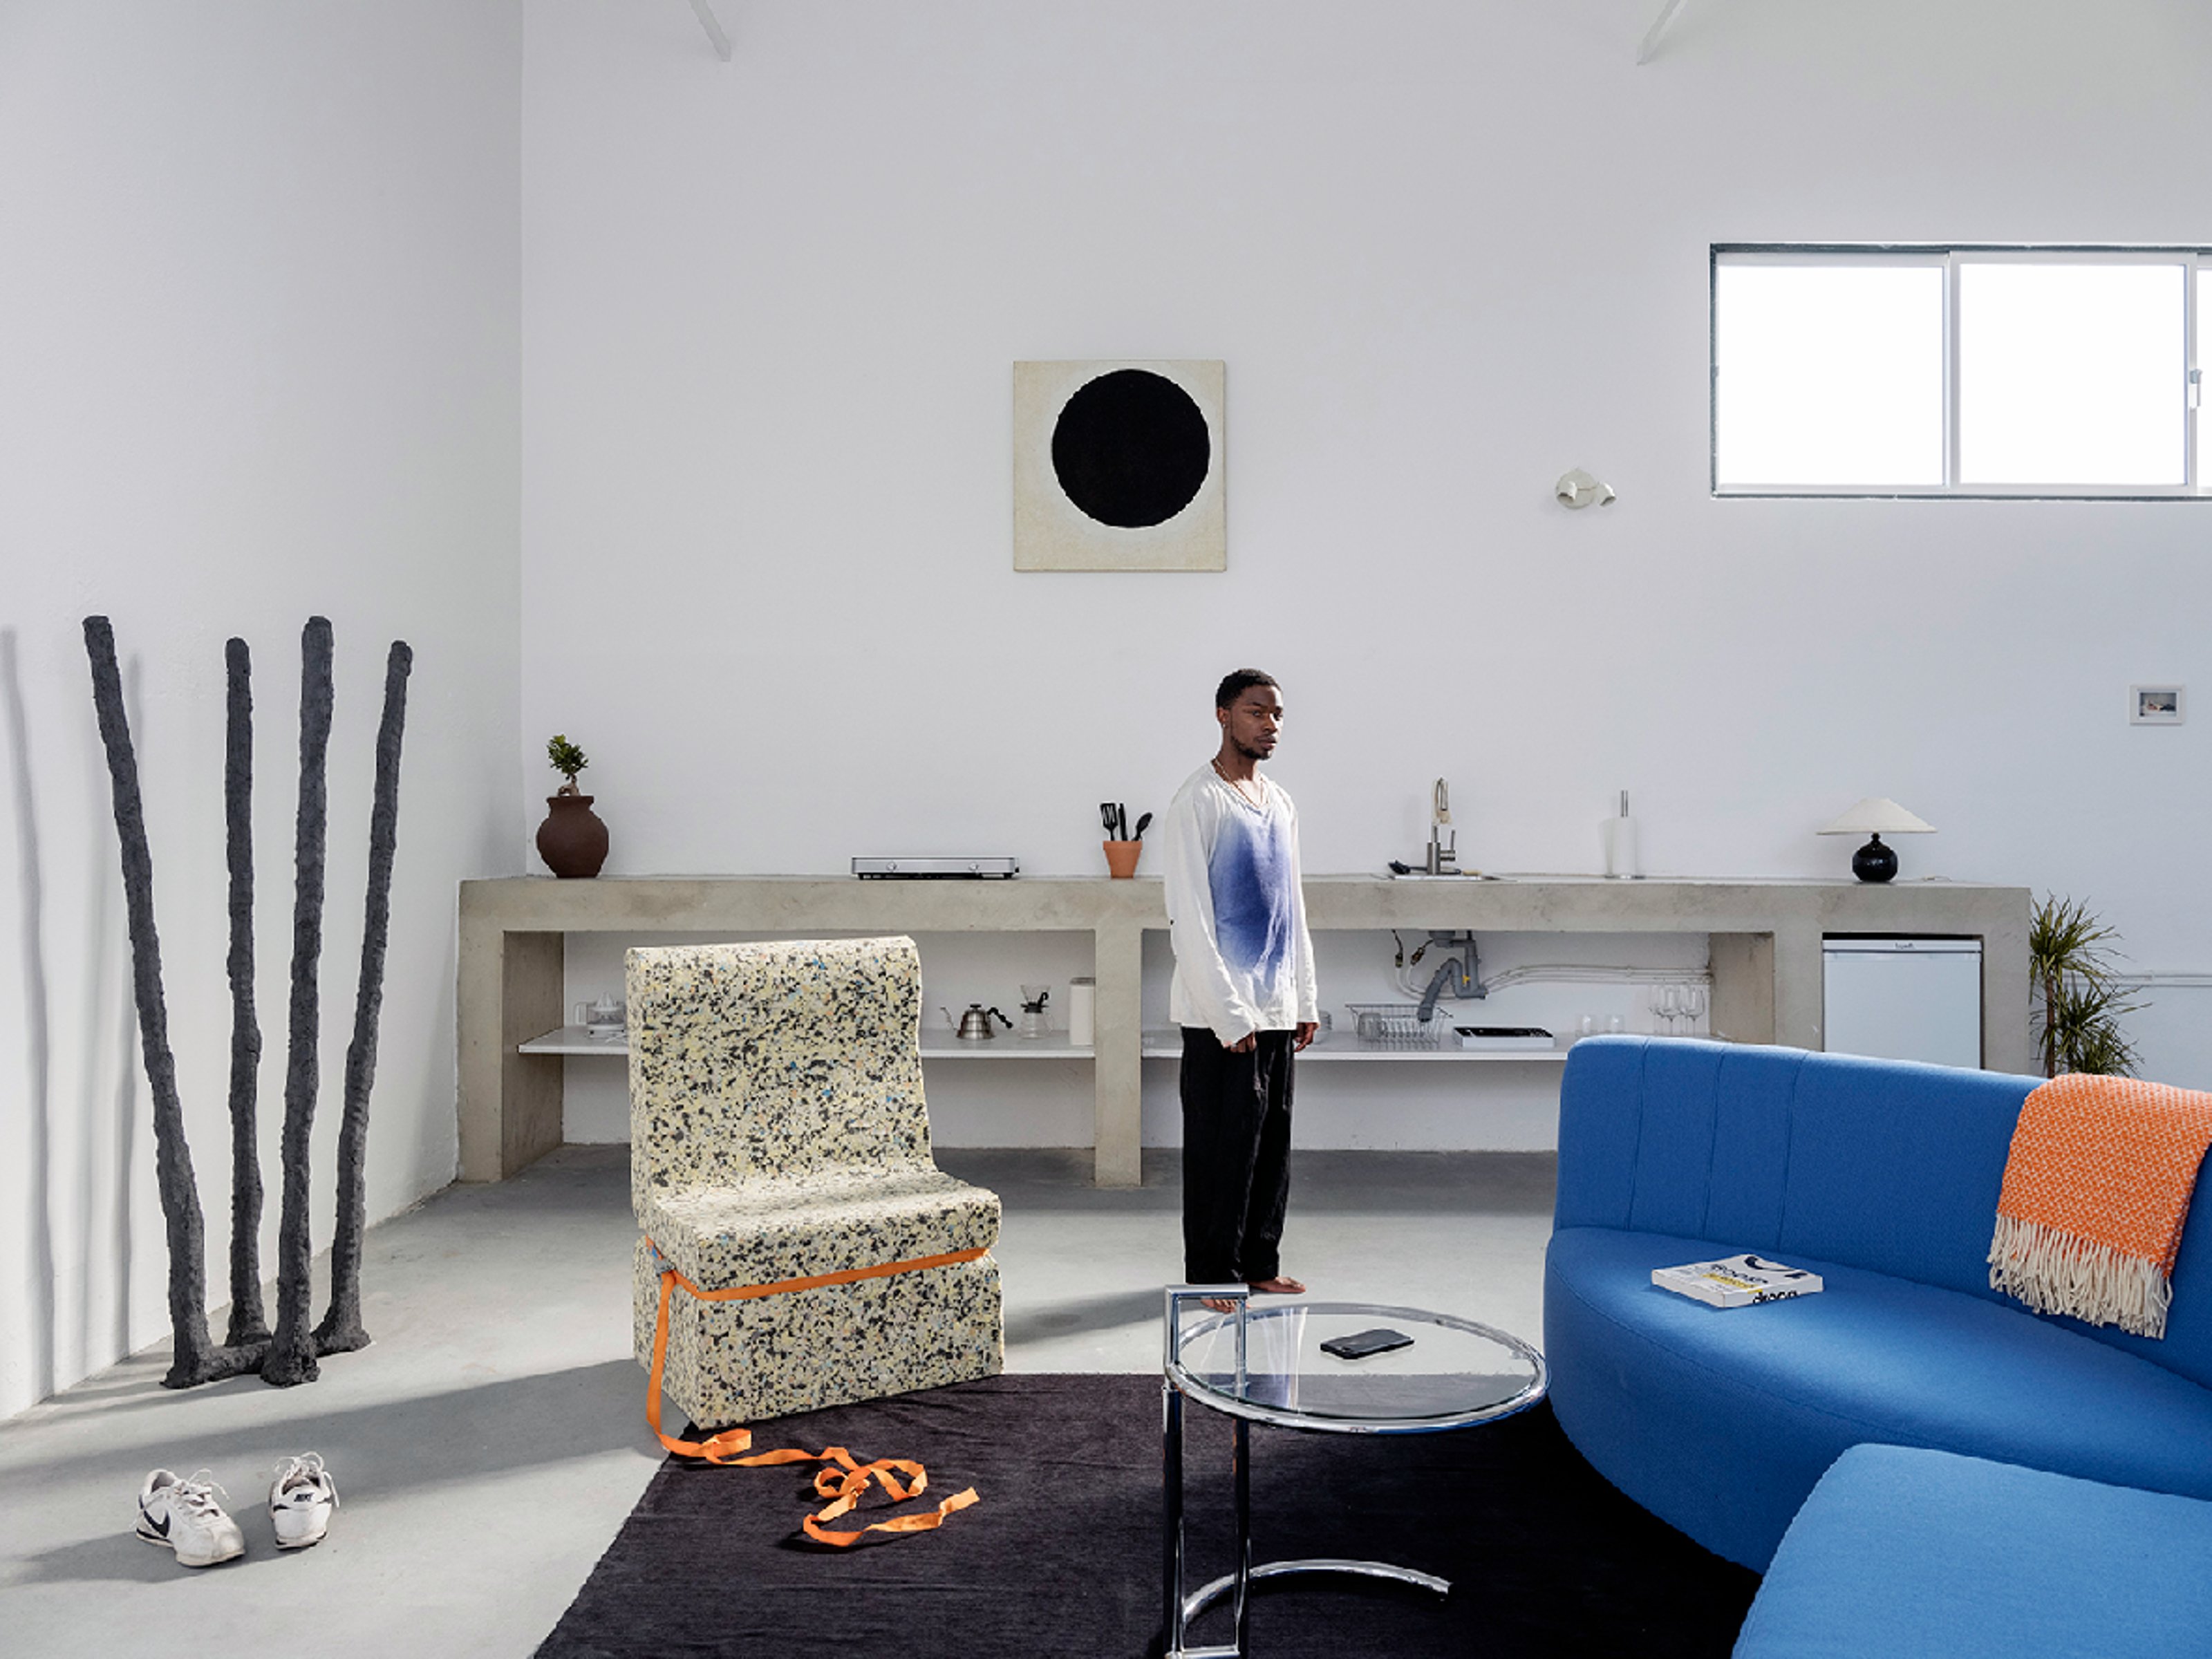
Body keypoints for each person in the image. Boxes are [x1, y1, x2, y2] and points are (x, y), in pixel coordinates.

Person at [1161, 668, 1320, 1298]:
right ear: (1224, 715)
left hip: (1276, 1006)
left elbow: (1293, 908)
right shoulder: (1196, 802)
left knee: (1270, 1146)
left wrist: (1304, 996)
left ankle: (1258, 1263)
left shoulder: (1279, 802)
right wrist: (1228, 1014)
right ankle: (1210, 1274)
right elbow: (1190, 920)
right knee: (1218, 1151)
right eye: (1258, 713)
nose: (1271, 725)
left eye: (1277, 714)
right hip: (1220, 1015)